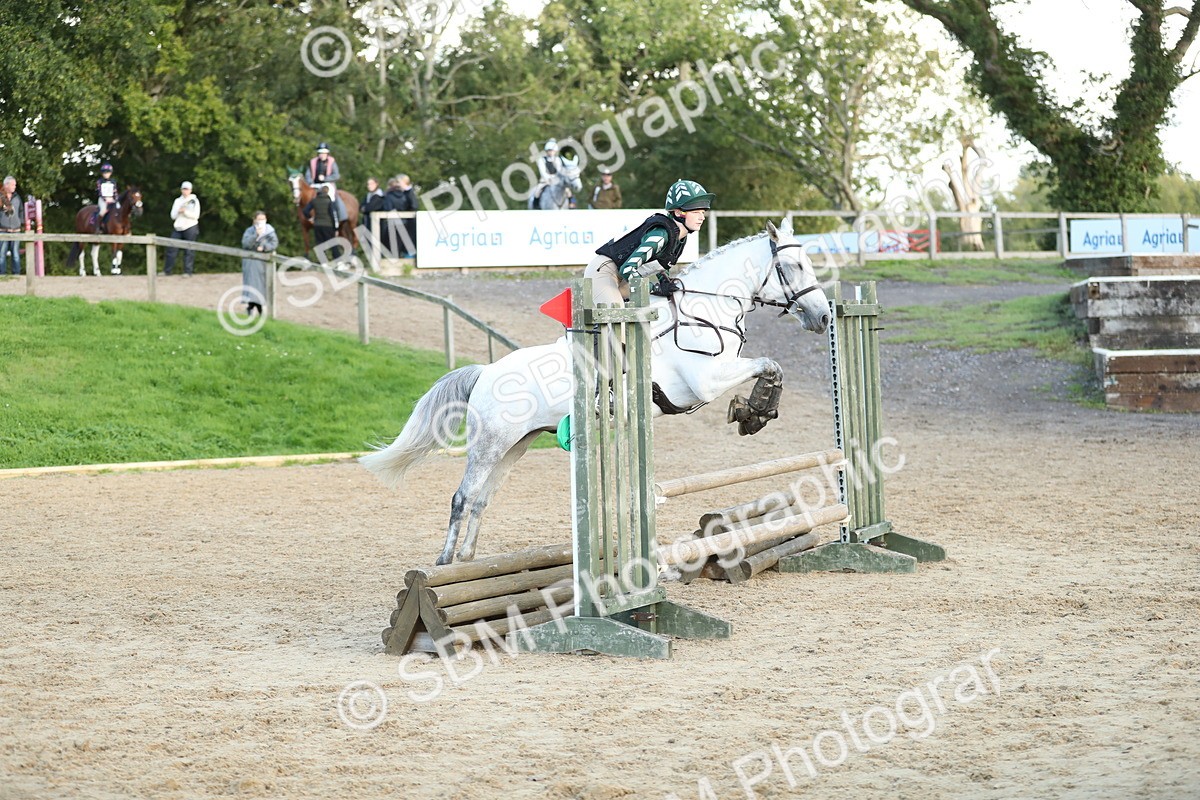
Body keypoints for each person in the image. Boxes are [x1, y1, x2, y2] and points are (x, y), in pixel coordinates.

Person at [583, 179, 714, 305]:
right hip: (605, 272)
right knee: (618, 320)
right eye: (696, 212)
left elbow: (659, 264)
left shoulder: (678, 237)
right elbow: (627, 269)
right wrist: (655, 288)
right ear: (679, 212)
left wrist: (665, 282)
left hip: (623, 278)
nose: (702, 217)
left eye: (702, 212)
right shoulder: (660, 236)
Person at [241, 211, 277, 316]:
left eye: (263, 219)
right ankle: (253, 307)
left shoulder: (269, 231)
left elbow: (274, 243)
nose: (261, 221)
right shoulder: (249, 231)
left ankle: (256, 308)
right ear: (254, 220)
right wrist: (255, 235)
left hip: (263, 263)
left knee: (261, 285)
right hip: (251, 262)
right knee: (251, 285)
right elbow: (245, 244)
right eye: (259, 219)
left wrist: (265, 247)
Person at [304, 142, 347, 226]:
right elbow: (308, 175)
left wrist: (325, 178)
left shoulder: (332, 161)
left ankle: (335, 218)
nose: (322, 155)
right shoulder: (313, 162)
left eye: (323, 153)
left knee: (332, 198)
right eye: (320, 153)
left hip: (328, 185)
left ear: (327, 153)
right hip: (315, 185)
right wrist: (310, 182)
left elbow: (336, 175)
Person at [164, 181, 201, 276]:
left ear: (190, 190)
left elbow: (196, 215)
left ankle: (188, 271)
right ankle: (167, 271)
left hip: (190, 227)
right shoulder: (177, 201)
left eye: (187, 189)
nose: (185, 191)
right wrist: (178, 211)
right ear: (181, 190)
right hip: (178, 227)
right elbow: (173, 215)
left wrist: (185, 212)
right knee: (172, 248)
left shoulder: (194, 201)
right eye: (184, 189)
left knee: (189, 250)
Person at [384, 174, 418, 257]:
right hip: (405, 222)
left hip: (406, 222)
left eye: (399, 182)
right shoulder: (405, 193)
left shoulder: (408, 193)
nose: (398, 184)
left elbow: (414, 206)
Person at [530, 139, 564, 208]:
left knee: (567, 191)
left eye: (552, 151)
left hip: (556, 181)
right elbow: (543, 172)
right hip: (545, 181)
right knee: (537, 192)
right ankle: (536, 206)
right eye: (549, 150)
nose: (551, 152)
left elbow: (559, 171)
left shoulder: (557, 160)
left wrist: (556, 178)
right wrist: (549, 178)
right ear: (547, 151)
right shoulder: (542, 160)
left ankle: (572, 205)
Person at [0, 176, 22, 275]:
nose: (14, 186)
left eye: (15, 185)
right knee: (1, 254)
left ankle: (16, 274)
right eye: (13, 184)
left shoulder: (17, 197)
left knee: (16, 254)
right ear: (6, 185)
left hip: (16, 230)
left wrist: (20, 222)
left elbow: (21, 211)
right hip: (2, 230)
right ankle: (2, 274)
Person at [96, 163, 118, 228]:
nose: (106, 174)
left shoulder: (113, 181)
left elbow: (115, 192)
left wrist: (116, 199)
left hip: (111, 199)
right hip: (102, 199)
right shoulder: (100, 181)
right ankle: (98, 226)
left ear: (110, 173)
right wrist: (105, 199)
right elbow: (100, 192)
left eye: (107, 172)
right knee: (103, 211)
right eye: (104, 173)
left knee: (119, 208)